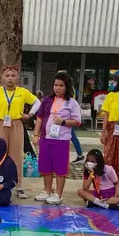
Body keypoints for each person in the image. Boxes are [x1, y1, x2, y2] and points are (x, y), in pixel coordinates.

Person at [0, 65, 41, 199]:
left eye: (13, 76)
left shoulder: (22, 92)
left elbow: (37, 103)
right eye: (7, 76)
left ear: (17, 78)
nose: (10, 78)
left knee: (16, 154)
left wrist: (29, 114)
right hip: (0, 124)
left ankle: (18, 185)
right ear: (2, 78)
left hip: (16, 124)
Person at [33, 72, 81, 205]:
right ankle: (47, 191)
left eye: (61, 85)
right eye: (55, 85)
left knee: (60, 168)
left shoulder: (72, 103)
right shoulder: (47, 100)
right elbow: (39, 118)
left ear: (67, 87)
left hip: (61, 140)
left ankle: (58, 194)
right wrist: (36, 135)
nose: (57, 88)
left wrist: (64, 122)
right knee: (45, 166)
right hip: (45, 138)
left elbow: (77, 122)